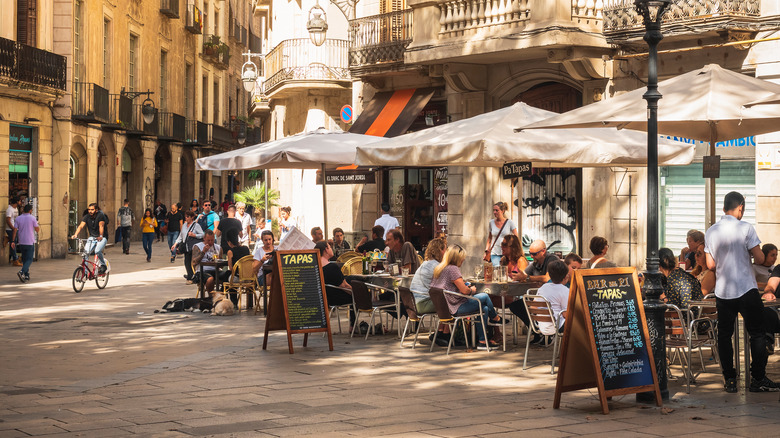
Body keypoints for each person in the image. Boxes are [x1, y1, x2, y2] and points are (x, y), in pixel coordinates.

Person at [704, 191, 778, 393]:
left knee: (725, 335)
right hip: (746, 288)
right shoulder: (746, 228)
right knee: (757, 333)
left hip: (723, 292)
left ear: (723, 208)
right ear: (740, 208)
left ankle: (729, 379)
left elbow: (710, 264)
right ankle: (758, 378)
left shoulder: (711, 231)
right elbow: (761, 259)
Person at [430, 245, 504, 350]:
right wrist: (471, 290)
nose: (464, 260)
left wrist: (464, 285)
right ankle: (495, 318)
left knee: (484, 308)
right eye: (462, 257)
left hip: (445, 308)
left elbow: (450, 286)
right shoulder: (453, 269)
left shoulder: (440, 268)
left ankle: (482, 341)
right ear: (457, 258)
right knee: (485, 296)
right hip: (456, 307)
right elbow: (464, 291)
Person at [409, 238, 448, 345]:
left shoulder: (426, 264)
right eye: (445, 249)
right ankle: (446, 335)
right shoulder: (436, 266)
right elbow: (446, 287)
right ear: (440, 250)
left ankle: (440, 333)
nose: (447, 252)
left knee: (445, 301)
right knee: (452, 303)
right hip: (423, 303)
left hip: (413, 304)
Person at [315, 240, 356, 330]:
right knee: (355, 297)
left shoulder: (315, 267)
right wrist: (357, 293)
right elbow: (344, 286)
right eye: (330, 247)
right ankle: (353, 326)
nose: (331, 249)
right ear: (326, 250)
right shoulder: (332, 267)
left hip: (325, 298)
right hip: (336, 298)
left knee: (350, 278)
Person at [533, 259, 572, 337]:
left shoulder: (542, 288)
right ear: (565, 276)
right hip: (557, 326)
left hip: (540, 325)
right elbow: (565, 314)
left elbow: (533, 307)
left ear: (549, 276)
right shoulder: (565, 290)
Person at [71, 203, 109, 274]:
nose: (90, 211)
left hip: (102, 237)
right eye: (89, 209)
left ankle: (103, 265)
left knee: (97, 251)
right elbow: (81, 226)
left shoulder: (100, 216)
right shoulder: (87, 217)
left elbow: (101, 226)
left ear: (96, 210)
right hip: (92, 237)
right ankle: (84, 273)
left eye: (92, 210)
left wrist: (100, 236)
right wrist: (75, 234)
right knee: (85, 254)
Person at [222, 230, 252, 307]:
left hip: (238, 278)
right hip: (249, 278)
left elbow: (231, 268)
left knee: (228, 274)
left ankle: (231, 300)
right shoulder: (246, 249)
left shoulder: (230, 251)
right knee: (229, 275)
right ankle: (250, 303)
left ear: (229, 242)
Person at [172, 210, 204, 283]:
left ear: (192, 217)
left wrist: (194, 235)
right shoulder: (184, 225)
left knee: (192, 262)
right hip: (186, 247)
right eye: (185, 217)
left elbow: (202, 235)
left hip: (193, 247)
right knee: (186, 262)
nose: (186, 218)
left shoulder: (196, 225)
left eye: (188, 217)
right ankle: (190, 276)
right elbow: (181, 236)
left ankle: (191, 277)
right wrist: (175, 244)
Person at [484, 201, 517, 266]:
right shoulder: (491, 222)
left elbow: (516, 237)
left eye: (497, 210)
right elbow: (489, 238)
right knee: (497, 269)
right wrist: (486, 251)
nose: (494, 212)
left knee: (506, 271)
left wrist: (513, 248)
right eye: (494, 210)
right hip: (494, 252)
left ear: (502, 211)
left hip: (506, 252)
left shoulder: (509, 222)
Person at [13, 204, 38, 283]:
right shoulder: (32, 218)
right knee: (29, 259)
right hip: (30, 241)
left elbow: (14, 230)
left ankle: (27, 275)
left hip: (22, 241)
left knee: (24, 259)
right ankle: (22, 271)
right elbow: (37, 229)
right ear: (30, 210)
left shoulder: (18, 218)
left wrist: (13, 240)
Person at [192, 230, 222, 295]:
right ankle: (211, 297)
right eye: (208, 240)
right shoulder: (198, 246)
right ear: (204, 238)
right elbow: (194, 262)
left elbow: (221, 265)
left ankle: (222, 296)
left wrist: (219, 260)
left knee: (229, 276)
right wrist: (203, 252)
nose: (210, 242)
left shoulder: (218, 247)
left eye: (212, 240)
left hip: (216, 269)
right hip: (202, 270)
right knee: (210, 279)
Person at [5, 196, 20, 266]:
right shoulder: (9, 209)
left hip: (15, 229)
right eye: (19, 201)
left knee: (15, 242)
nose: (20, 202)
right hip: (10, 229)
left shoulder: (16, 208)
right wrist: (13, 228)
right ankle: (15, 259)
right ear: (17, 202)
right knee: (13, 243)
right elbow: (8, 220)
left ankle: (8, 239)